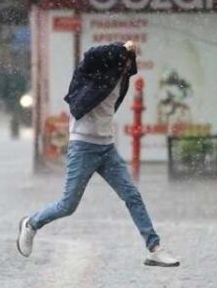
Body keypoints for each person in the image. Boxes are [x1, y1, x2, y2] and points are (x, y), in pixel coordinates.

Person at [16, 40, 180, 267]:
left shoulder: (121, 81)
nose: (125, 68)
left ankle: (154, 248)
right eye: (122, 63)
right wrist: (122, 47)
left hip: (106, 148)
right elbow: (92, 54)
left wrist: (127, 60)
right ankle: (31, 224)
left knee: (132, 196)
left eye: (128, 65)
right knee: (68, 205)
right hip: (83, 147)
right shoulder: (91, 75)